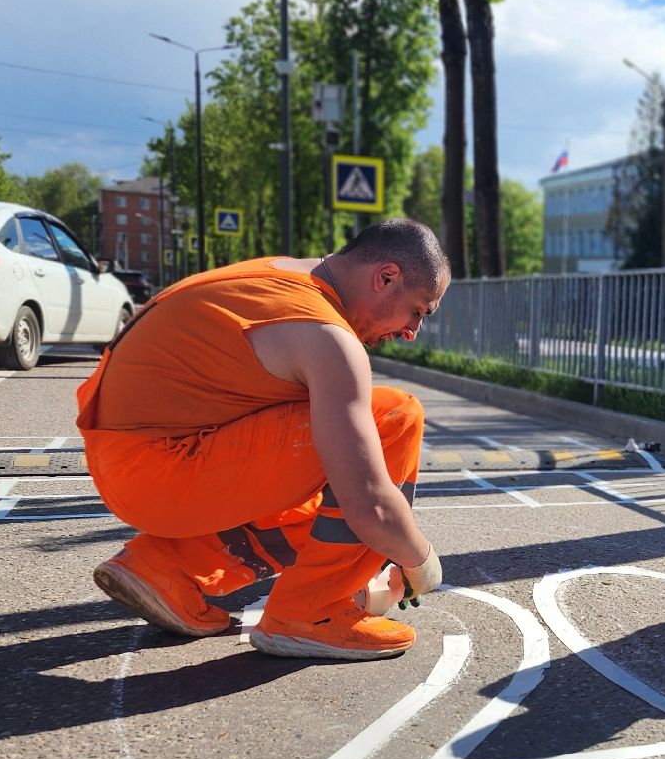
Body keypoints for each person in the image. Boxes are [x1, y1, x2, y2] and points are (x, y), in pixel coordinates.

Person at [74, 219, 450, 661]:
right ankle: (311, 612)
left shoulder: (280, 275)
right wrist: (419, 561)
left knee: (332, 475)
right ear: (386, 277)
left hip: (128, 462)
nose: (411, 332)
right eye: (419, 311)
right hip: (162, 472)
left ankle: (166, 568)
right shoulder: (327, 336)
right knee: (394, 417)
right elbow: (369, 502)